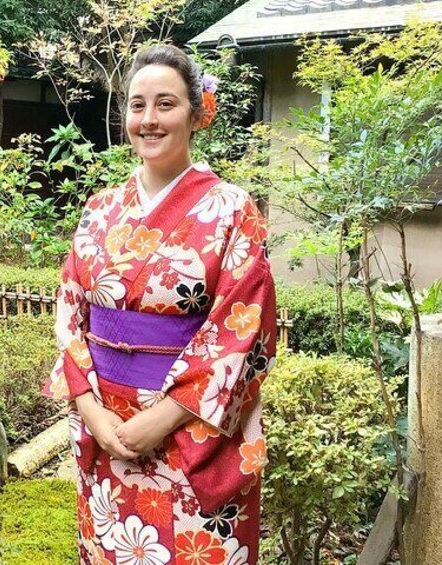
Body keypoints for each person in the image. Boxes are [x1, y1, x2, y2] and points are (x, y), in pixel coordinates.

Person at [43, 44, 276, 565]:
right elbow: (70, 313)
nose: (148, 120)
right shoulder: (101, 208)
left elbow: (244, 333)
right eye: (136, 105)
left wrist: (162, 419)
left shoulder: (233, 209)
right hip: (106, 431)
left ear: (197, 114)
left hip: (190, 431)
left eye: (165, 104)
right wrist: (93, 413)